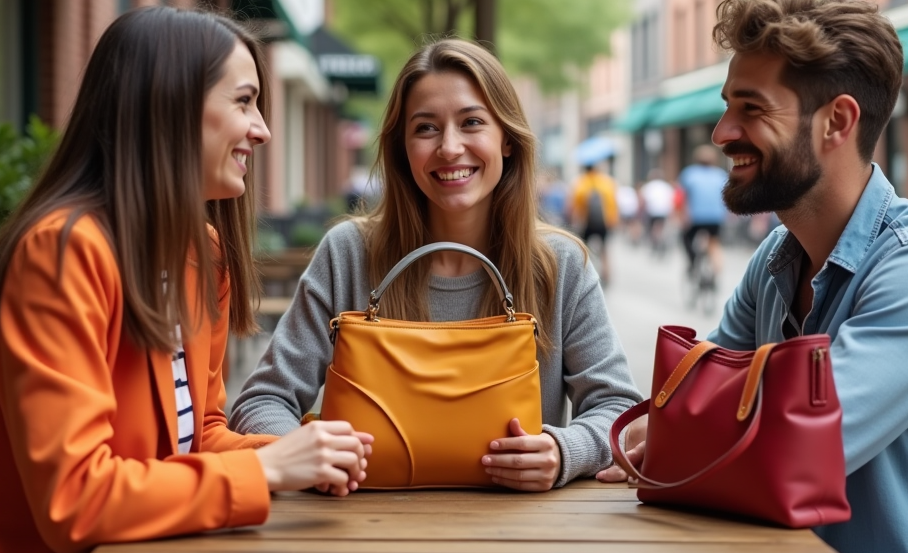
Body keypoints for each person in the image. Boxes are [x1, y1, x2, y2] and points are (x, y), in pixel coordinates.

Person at [0, 7, 373, 553]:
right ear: (169, 107)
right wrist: (266, 469)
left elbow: (199, 434)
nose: (261, 130)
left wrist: (304, 456)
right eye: (244, 102)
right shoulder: (60, 252)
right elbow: (75, 501)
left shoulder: (201, 254)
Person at [601, 0, 908, 553]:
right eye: (728, 106)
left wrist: (681, 443)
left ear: (837, 121)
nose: (724, 133)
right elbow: (684, 417)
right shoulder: (774, 261)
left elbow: (785, 455)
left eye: (750, 109)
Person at [231, 39, 642, 491]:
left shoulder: (560, 265)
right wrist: (307, 457)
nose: (449, 148)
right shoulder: (348, 252)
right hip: (363, 535)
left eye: (471, 123)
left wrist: (566, 451)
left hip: (520, 539)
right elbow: (261, 401)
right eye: (426, 128)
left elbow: (620, 410)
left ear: (506, 138)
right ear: (403, 148)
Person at [677, 145, 728, 279]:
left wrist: (682, 215)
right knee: (714, 242)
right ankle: (716, 270)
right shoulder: (720, 175)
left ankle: (692, 262)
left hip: (695, 217)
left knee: (686, 238)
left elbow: (682, 197)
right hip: (716, 216)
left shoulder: (689, 174)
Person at [571, 161, 620, 282]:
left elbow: (576, 205)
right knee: (605, 250)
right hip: (604, 222)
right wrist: (614, 220)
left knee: (584, 249)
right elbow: (614, 203)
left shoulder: (581, 182)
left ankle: (585, 274)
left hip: (587, 223)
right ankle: (606, 273)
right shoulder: (607, 182)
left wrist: (575, 220)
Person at [640, 170, 675, 253]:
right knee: (660, 227)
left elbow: (642, 200)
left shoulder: (648, 186)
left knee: (652, 227)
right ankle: (660, 240)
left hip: (652, 211)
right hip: (664, 211)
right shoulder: (666, 186)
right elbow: (672, 199)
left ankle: (656, 241)